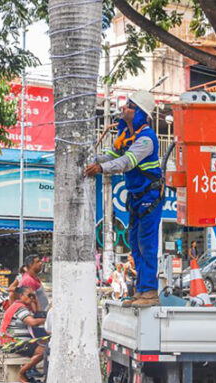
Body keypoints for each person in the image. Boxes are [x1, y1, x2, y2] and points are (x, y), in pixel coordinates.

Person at [85, 90, 163, 307]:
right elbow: (112, 156)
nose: (123, 108)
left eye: (129, 106)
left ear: (139, 112)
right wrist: (89, 159)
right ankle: (141, 290)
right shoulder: (127, 136)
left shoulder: (146, 139)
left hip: (150, 197)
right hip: (137, 197)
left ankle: (149, 291)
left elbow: (126, 163)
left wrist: (100, 168)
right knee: (135, 245)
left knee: (146, 244)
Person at [0, 286, 46, 383]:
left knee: (43, 344)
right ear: (21, 296)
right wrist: (47, 320)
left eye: (33, 296)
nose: (32, 298)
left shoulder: (21, 307)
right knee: (44, 350)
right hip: (14, 343)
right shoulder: (19, 308)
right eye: (29, 295)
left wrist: (36, 299)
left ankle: (25, 372)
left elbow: (39, 313)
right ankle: (21, 373)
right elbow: (33, 322)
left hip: (17, 342)